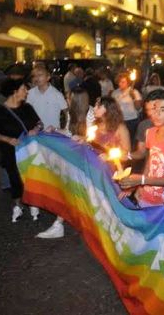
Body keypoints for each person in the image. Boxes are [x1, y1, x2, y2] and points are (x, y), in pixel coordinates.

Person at [36, 87, 95, 239]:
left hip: (87, 158)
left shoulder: (91, 113)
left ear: (76, 100)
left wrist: (84, 139)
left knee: (79, 191)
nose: (66, 100)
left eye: (69, 98)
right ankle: (60, 223)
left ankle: (67, 223)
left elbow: (95, 137)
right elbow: (68, 133)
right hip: (73, 157)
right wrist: (55, 129)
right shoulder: (70, 113)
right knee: (69, 189)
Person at [118, 90, 164, 207]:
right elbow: (150, 162)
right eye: (155, 109)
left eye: (162, 110)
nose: (156, 114)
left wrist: (142, 180)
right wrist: (140, 187)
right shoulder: (150, 132)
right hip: (146, 196)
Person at [0, 79, 42, 222]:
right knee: (15, 178)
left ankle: (33, 203)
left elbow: (39, 123)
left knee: (31, 176)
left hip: (30, 150)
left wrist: (36, 129)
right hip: (10, 151)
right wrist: (7, 139)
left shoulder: (27, 108)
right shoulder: (0, 112)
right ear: (14, 91)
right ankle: (18, 205)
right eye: (24, 89)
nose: (27, 92)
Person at [26, 66, 67, 130]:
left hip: (53, 133)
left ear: (48, 77)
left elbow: (67, 113)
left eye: (40, 75)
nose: (37, 78)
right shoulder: (29, 94)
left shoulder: (57, 94)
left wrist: (65, 129)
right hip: (35, 132)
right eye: (35, 76)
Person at [112, 73, 142, 143]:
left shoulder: (134, 92)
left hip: (131, 121)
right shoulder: (115, 93)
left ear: (128, 83)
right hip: (119, 120)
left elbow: (138, 108)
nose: (120, 84)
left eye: (123, 82)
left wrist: (133, 97)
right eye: (119, 82)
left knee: (130, 141)